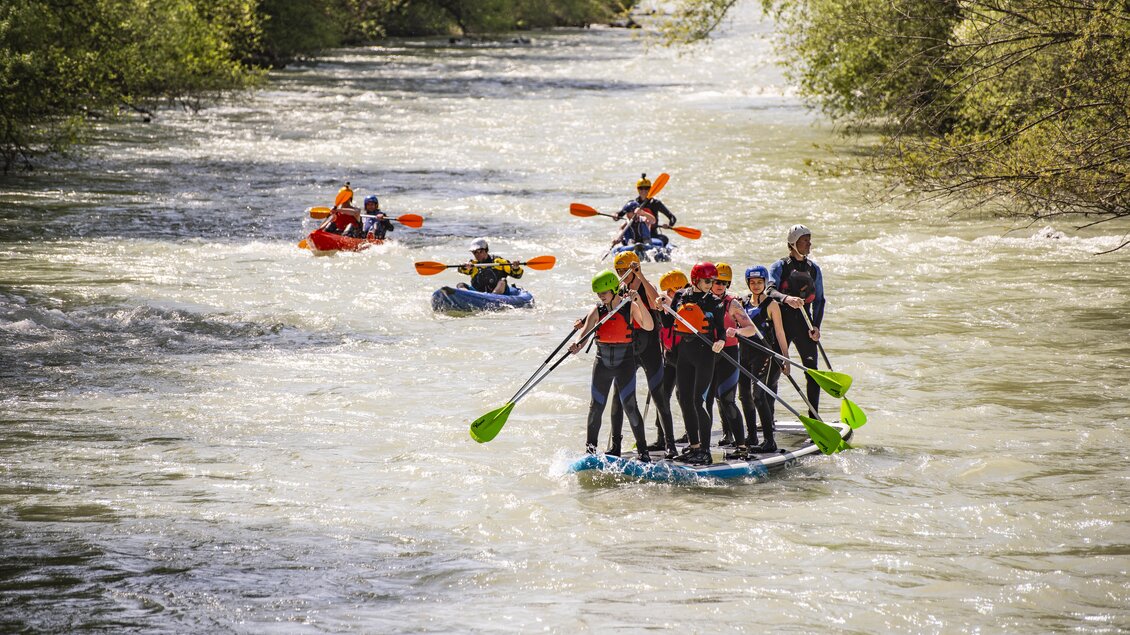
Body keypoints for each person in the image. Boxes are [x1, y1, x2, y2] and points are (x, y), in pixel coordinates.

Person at [570, 269, 655, 461]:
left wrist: (638, 301)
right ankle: (590, 452)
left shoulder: (629, 306)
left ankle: (643, 453)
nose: (601, 296)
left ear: (614, 289)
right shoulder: (597, 310)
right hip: (602, 363)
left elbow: (649, 326)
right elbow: (584, 333)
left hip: (625, 363)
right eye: (598, 293)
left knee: (630, 406)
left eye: (604, 292)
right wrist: (577, 344)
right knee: (596, 407)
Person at [606, 252, 678, 459]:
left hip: (650, 348)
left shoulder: (646, 286)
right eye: (618, 270)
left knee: (659, 396)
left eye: (625, 270)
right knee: (618, 397)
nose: (621, 273)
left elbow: (656, 302)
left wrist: (640, 276)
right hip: (628, 347)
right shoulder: (619, 290)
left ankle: (670, 445)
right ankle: (616, 445)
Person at [657, 262, 727, 466]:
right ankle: (694, 446)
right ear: (695, 279)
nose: (710, 285)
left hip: (706, 355)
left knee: (698, 402)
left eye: (712, 281)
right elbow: (668, 323)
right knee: (685, 400)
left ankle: (705, 450)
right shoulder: (681, 296)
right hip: (684, 354)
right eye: (707, 281)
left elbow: (721, 330)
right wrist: (661, 309)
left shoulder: (715, 302)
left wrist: (721, 342)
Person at [767, 225, 825, 418]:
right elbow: (769, 291)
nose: (809, 244)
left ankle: (814, 418)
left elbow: (819, 300)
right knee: (774, 370)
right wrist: (786, 299)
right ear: (793, 243)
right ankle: (768, 418)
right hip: (781, 324)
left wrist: (816, 326)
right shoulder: (779, 266)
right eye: (804, 240)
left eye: (809, 240)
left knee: (813, 372)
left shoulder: (814, 269)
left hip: (805, 325)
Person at [734, 266, 791, 456]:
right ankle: (752, 437)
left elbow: (780, 333)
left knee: (758, 396)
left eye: (760, 282)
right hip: (744, 354)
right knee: (744, 396)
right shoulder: (742, 303)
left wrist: (786, 359)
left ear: (765, 283)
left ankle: (769, 441)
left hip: (764, 354)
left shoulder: (771, 304)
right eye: (752, 282)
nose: (756, 285)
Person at [703, 263, 756, 455]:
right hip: (707, 355)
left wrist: (737, 331)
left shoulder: (732, 304)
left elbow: (751, 329)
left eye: (724, 283)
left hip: (729, 355)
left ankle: (741, 446)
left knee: (727, 400)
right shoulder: (702, 301)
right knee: (706, 401)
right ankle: (703, 447)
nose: (720, 286)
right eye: (717, 281)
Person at [655, 269, 690, 447]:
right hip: (669, 357)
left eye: (671, 291)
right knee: (661, 396)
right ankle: (662, 438)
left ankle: (691, 435)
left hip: (685, 358)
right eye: (667, 291)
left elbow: (681, 317)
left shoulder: (687, 304)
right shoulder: (662, 306)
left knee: (684, 397)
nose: (668, 295)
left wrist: (669, 303)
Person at [617, 174, 677, 246]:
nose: (644, 190)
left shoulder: (655, 203)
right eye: (641, 188)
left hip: (652, 234)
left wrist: (669, 225)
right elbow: (620, 215)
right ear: (637, 189)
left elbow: (672, 218)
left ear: (650, 189)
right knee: (624, 240)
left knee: (664, 239)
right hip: (636, 235)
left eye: (646, 188)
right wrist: (616, 215)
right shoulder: (633, 204)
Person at [457, 238, 524, 294]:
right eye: (474, 252)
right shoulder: (472, 264)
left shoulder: (498, 261)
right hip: (479, 294)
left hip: (499, 294)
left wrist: (515, 268)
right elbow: (460, 270)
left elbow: (518, 275)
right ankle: (467, 296)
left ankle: (492, 297)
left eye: (479, 251)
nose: (477, 254)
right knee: (460, 285)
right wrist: (464, 266)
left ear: (486, 250)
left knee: (502, 281)